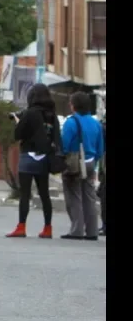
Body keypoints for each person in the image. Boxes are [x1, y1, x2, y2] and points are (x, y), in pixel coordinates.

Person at [7, 83, 60, 239]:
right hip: (45, 158)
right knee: (44, 194)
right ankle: (48, 228)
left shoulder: (30, 113)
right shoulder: (52, 115)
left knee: (25, 193)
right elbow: (56, 137)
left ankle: (21, 227)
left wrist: (18, 120)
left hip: (28, 157)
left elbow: (18, 134)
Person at [60, 91, 105, 241]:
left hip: (75, 163)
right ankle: (92, 231)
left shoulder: (71, 122)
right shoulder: (95, 123)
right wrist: (95, 161)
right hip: (91, 162)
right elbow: (100, 147)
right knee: (89, 196)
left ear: (74, 106)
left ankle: (77, 230)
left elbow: (64, 145)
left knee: (74, 196)